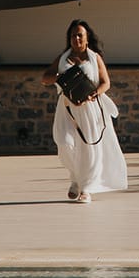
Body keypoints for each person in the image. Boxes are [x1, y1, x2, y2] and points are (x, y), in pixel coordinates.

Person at [42, 19, 128, 204]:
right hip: (67, 109)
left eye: (80, 35)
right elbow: (45, 78)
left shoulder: (94, 58)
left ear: (87, 38)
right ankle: (75, 178)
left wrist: (94, 94)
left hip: (89, 109)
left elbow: (106, 82)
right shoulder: (63, 58)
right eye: (73, 35)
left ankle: (86, 188)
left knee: (89, 149)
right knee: (65, 144)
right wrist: (59, 76)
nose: (76, 38)